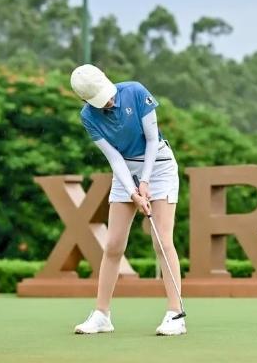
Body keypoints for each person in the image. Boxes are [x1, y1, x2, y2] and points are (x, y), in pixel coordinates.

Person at [69, 64, 185, 336]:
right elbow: (114, 158)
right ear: (85, 99)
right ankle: (102, 315)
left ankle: (175, 314)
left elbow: (152, 140)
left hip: (159, 166)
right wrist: (133, 192)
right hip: (125, 172)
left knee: (162, 241)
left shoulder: (135, 92)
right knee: (113, 245)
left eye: (107, 95)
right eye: (99, 100)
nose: (108, 102)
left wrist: (145, 181)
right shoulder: (88, 116)